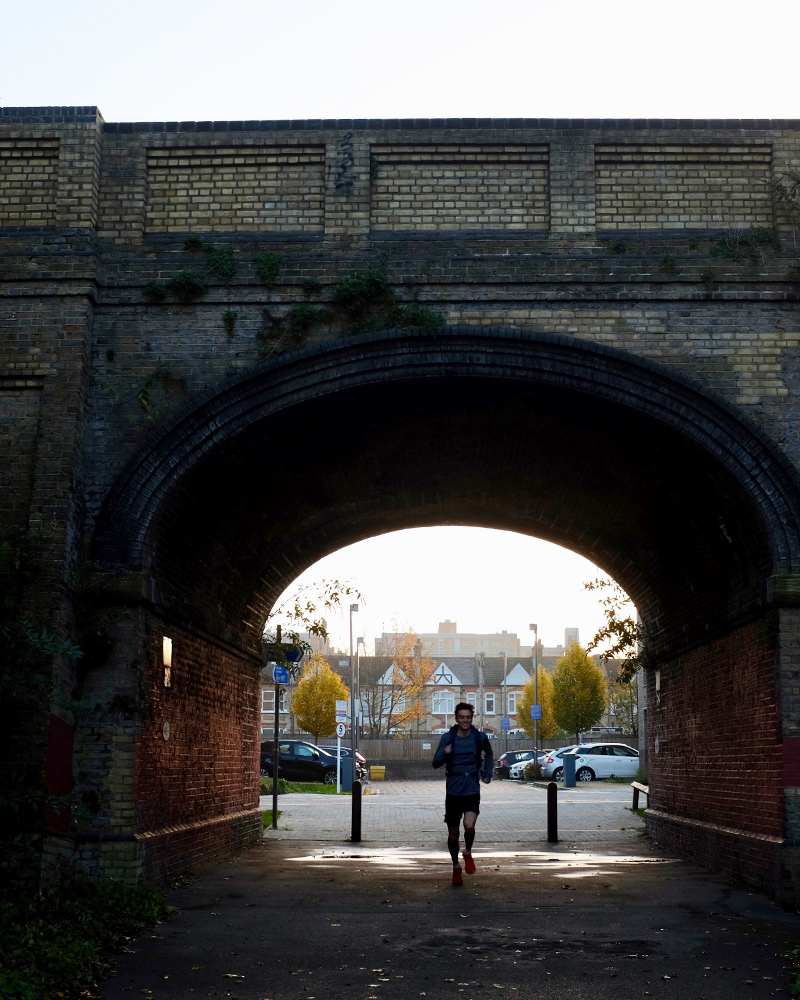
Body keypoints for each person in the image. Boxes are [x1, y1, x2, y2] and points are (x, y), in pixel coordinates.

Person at [432, 702, 493, 885]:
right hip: (453, 790)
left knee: (469, 825)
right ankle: (455, 866)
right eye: (461, 717)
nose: (465, 720)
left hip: (472, 788)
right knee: (452, 834)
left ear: (471, 718)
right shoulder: (448, 738)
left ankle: (467, 851)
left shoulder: (479, 737)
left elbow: (489, 754)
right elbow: (435, 763)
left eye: (468, 717)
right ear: (456, 718)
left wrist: (487, 774)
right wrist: (445, 752)